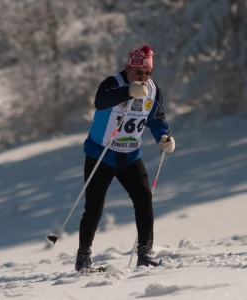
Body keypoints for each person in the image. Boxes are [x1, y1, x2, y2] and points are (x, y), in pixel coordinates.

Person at [75, 45, 175, 271]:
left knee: (144, 199)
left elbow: (156, 117)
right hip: (101, 154)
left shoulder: (153, 90)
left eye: (148, 73)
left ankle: (145, 253)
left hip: (130, 155)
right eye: (138, 72)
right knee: (94, 207)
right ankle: (83, 259)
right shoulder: (113, 83)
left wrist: (164, 137)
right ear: (128, 68)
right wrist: (128, 91)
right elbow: (101, 101)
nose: (143, 77)